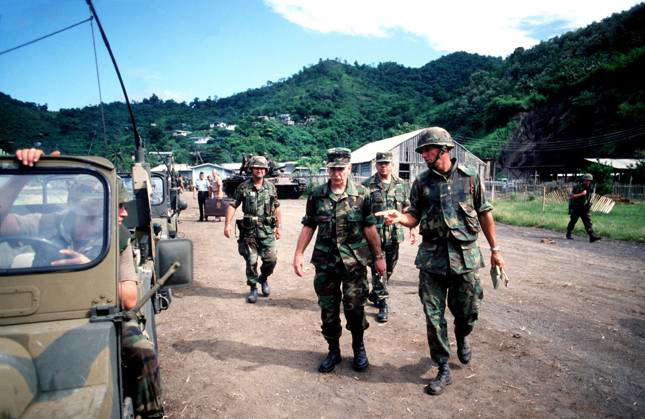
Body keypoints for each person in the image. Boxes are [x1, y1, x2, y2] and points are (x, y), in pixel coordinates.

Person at [378, 127, 505, 395]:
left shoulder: (470, 178)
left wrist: (495, 249)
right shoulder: (422, 182)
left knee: (468, 312)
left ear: (444, 149)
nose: (423, 154)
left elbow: (484, 215)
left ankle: (462, 336)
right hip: (432, 259)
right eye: (421, 151)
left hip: (465, 258)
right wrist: (400, 218)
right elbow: (413, 215)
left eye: (428, 150)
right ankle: (443, 367)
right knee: (433, 316)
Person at [293, 148, 386, 373]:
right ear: (328, 169)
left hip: (354, 264)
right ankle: (333, 351)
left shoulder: (362, 194)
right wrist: (298, 253)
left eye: (341, 169)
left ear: (349, 169)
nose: (337, 174)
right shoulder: (317, 195)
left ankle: (358, 348)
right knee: (329, 309)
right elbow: (309, 225)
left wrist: (379, 257)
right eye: (333, 169)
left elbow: (370, 227)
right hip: (326, 264)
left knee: (355, 308)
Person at [117, 179, 164, 418]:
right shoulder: (54, 226)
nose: (125, 212)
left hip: (105, 312)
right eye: (118, 206)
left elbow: (128, 300)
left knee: (142, 350)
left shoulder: (119, 236)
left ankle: (151, 412)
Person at [362, 151, 414, 323]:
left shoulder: (402, 185)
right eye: (380, 163)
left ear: (392, 164)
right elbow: (361, 212)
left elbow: (408, 209)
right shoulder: (366, 185)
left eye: (386, 163)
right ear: (376, 165)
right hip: (374, 236)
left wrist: (412, 229)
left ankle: (375, 292)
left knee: (389, 268)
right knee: (379, 268)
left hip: (393, 235)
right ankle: (383, 303)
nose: (383, 166)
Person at [224, 156, 281, 303]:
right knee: (251, 261)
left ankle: (263, 278)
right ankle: (253, 288)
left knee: (271, 260)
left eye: (262, 168)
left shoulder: (271, 187)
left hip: (267, 231)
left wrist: (278, 227)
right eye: (256, 168)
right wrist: (227, 224)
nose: (259, 170)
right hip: (249, 232)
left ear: (266, 170)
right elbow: (232, 205)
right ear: (251, 169)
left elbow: (277, 207)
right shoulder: (243, 187)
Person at [567, 174, 601, 242]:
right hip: (576, 207)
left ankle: (592, 236)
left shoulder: (591, 188)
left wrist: (590, 203)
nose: (587, 182)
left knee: (588, 222)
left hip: (585, 208)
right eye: (586, 180)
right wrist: (581, 194)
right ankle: (568, 233)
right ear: (583, 180)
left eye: (589, 180)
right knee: (573, 221)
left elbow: (590, 197)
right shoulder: (577, 187)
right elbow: (571, 196)